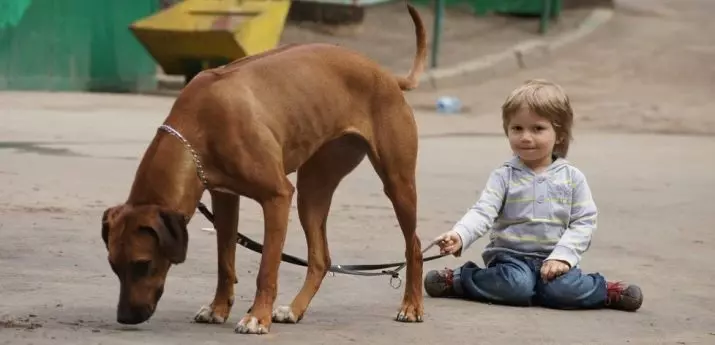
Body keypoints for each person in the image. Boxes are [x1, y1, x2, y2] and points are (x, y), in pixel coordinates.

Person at [423, 79, 643, 311]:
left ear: (559, 134)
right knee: (517, 286)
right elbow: (483, 211)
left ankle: (604, 291)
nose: (526, 137)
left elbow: (584, 222)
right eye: (517, 128)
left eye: (537, 129)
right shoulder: (504, 175)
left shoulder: (572, 177)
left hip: (555, 260)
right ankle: (459, 280)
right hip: (509, 259)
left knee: (562, 290)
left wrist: (563, 257)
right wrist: (460, 234)